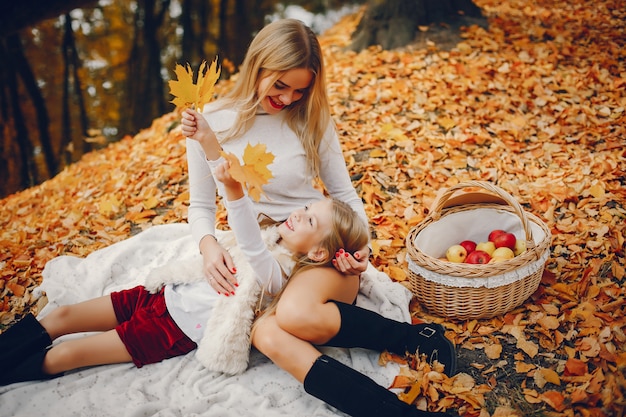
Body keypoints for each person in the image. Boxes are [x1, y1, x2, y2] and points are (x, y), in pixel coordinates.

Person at [180, 18, 456, 417]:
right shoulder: (211, 121)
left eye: (300, 89)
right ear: (257, 66)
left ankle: (416, 339)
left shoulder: (310, 118)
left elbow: (344, 195)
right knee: (265, 333)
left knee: (294, 314)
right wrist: (207, 246)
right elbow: (201, 207)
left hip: (319, 246)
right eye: (280, 85)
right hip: (264, 252)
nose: (289, 97)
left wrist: (361, 248)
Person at [0, 145, 370, 387]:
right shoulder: (273, 233)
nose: (297, 215)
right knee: (61, 318)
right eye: (305, 208)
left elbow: (249, 243)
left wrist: (233, 191)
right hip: (160, 294)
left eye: (309, 221)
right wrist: (209, 143)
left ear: (320, 253)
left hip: (170, 329)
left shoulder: (278, 276)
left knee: (64, 355)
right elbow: (246, 227)